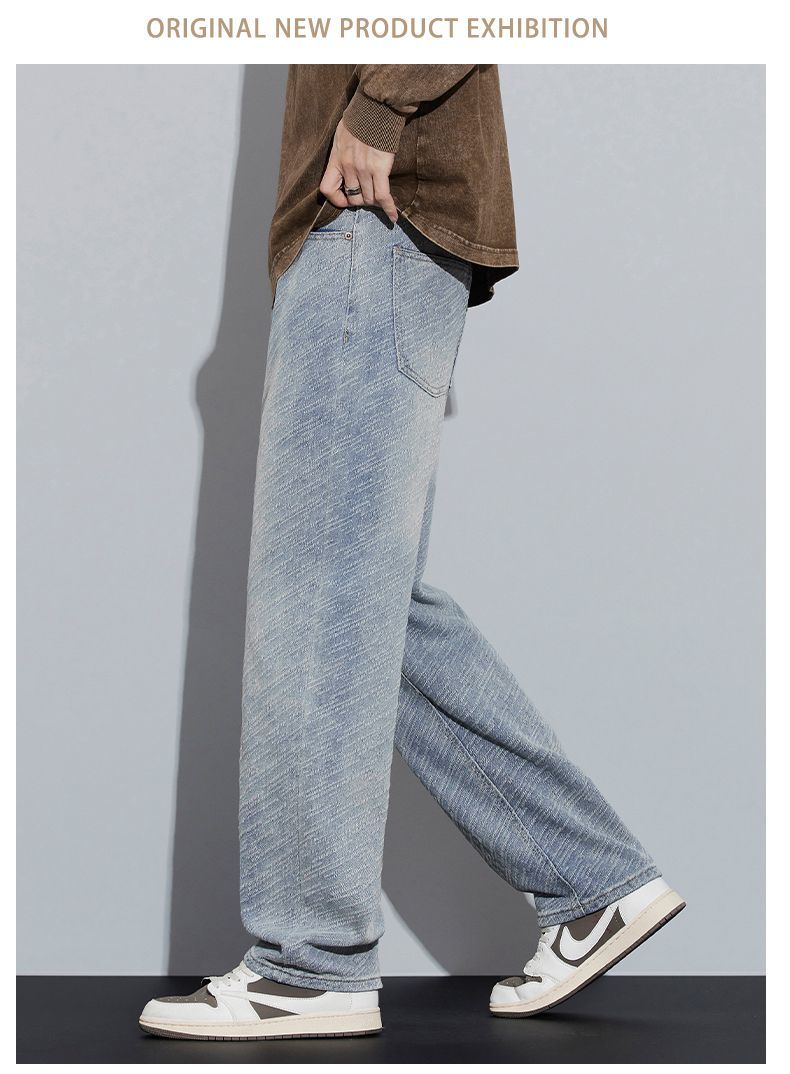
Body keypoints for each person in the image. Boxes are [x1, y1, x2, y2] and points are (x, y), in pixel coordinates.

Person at [139, 64, 684, 1041]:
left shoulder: (377, 152)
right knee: (362, 606)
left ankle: (310, 961)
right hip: (370, 215)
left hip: (372, 206)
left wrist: (380, 108)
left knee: (319, 604)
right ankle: (593, 881)